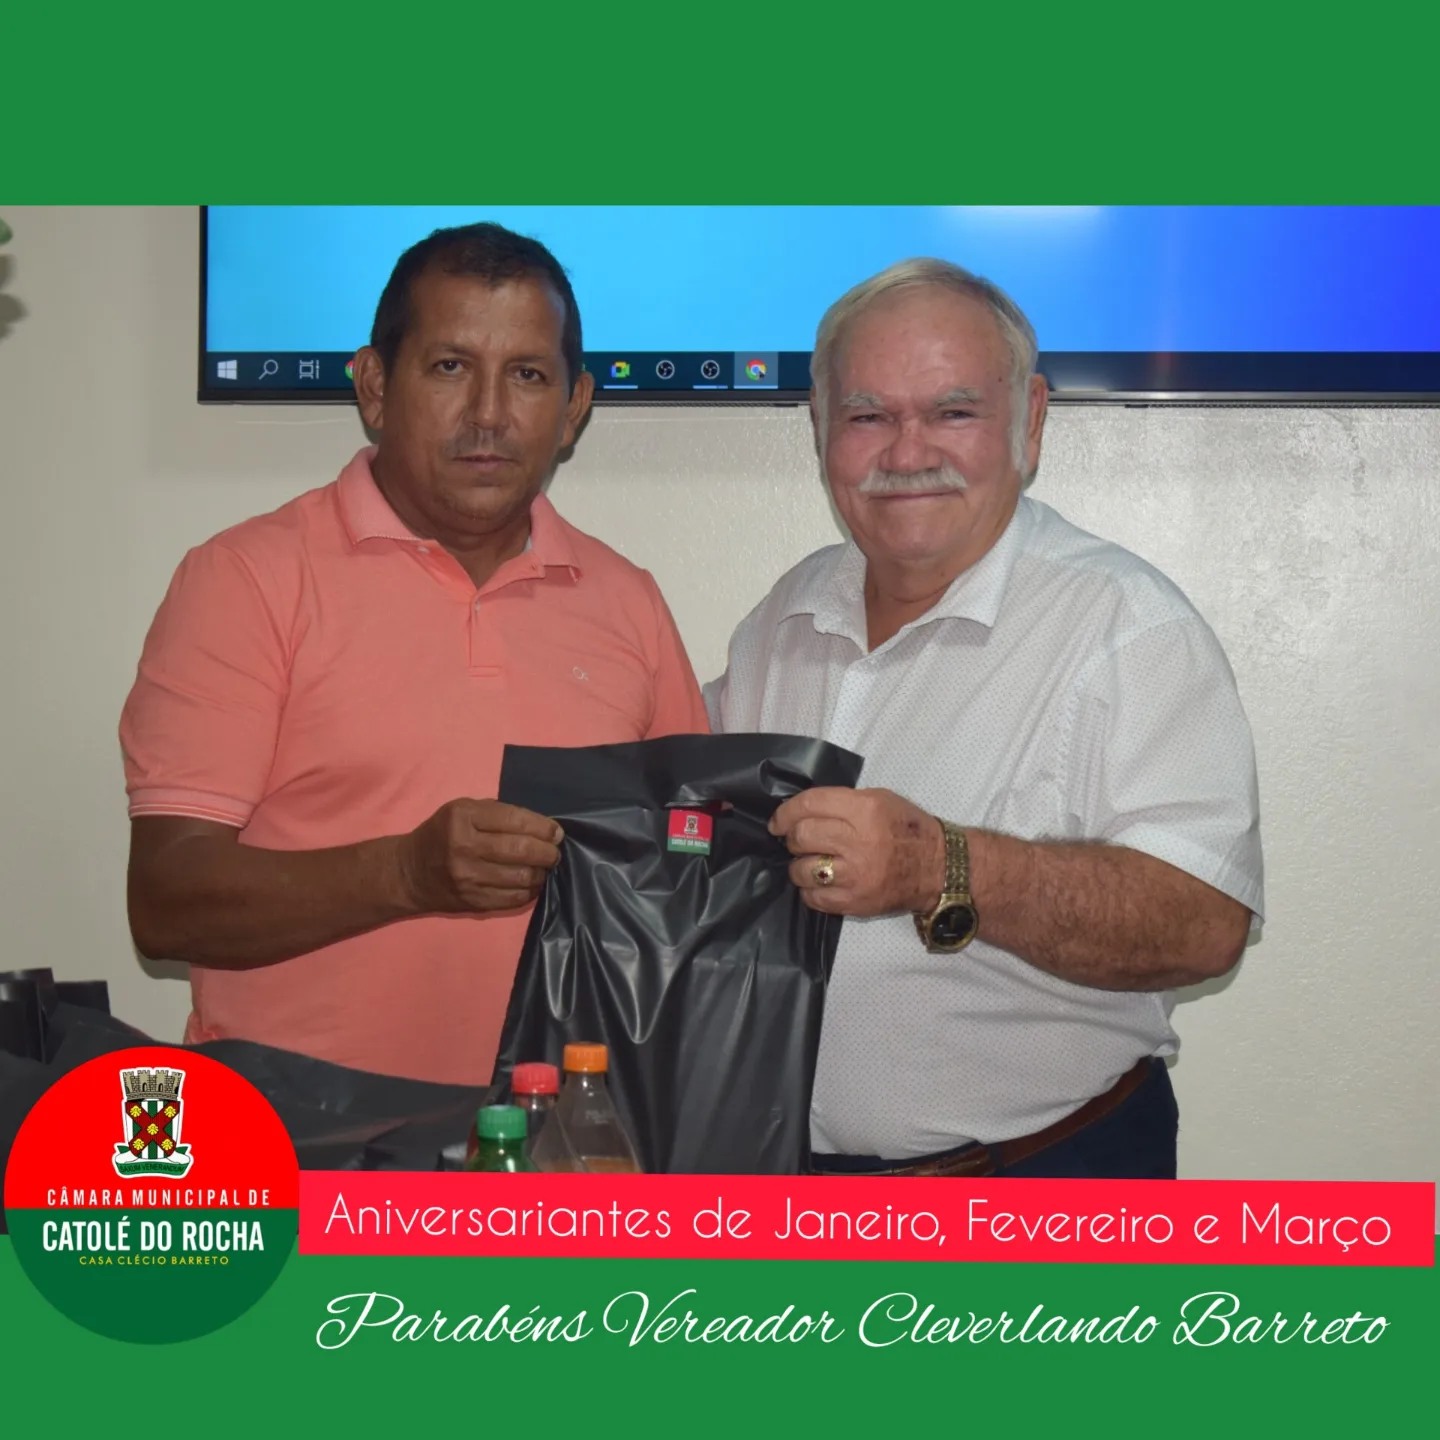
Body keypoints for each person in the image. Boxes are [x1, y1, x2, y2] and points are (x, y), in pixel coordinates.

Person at [705, 258, 1264, 1178]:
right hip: (792, 1184)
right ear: (819, 427)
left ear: (1030, 421)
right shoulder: (784, 617)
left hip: (1048, 1183)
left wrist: (938, 867)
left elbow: (1205, 924)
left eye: (952, 412)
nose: (906, 453)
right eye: (867, 416)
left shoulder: (1127, 626)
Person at [121, 222, 708, 1085]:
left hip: (561, 1131)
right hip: (295, 1133)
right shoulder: (247, 579)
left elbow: (692, 868)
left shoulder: (629, 602)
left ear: (575, 405)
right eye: (449, 366)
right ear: (374, 385)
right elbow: (166, 903)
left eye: (528, 375)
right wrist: (405, 873)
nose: (489, 415)